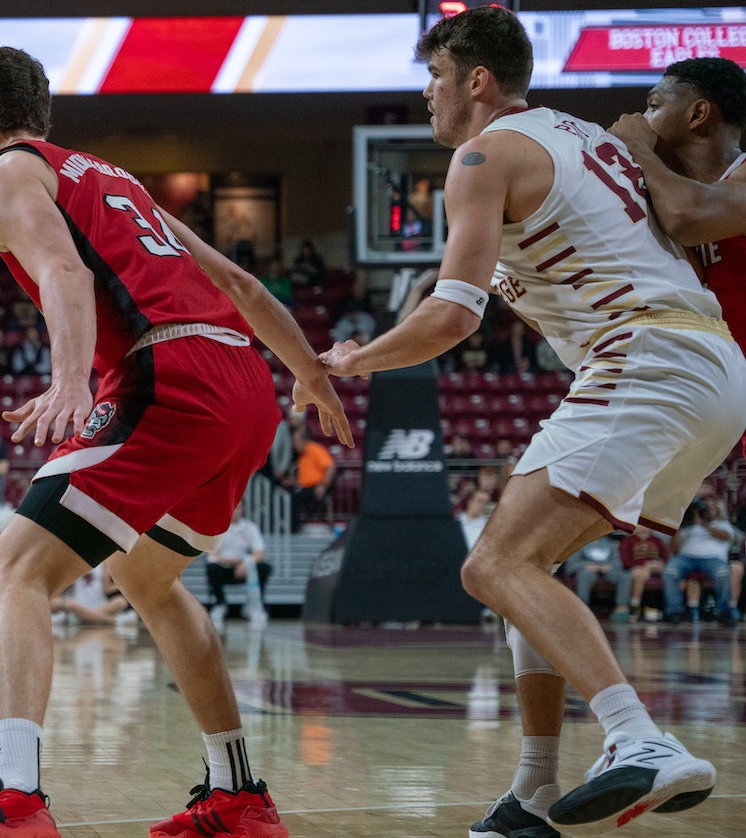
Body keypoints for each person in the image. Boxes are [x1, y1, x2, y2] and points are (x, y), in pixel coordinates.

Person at [0, 46, 349, 838]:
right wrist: (311, 374)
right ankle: (239, 795)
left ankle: (12, 796)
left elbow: (63, 269)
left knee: (10, 576)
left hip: (170, 375)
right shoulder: (112, 179)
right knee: (148, 578)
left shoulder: (2, 178)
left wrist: (70, 381)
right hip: (244, 386)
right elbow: (243, 286)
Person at [317, 9, 744, 834]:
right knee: (526, 570)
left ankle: (637, 740)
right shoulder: (579, 137)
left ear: (476, 81)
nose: (428, 97)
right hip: (710, 367)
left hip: (647, 355)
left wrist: (356, 360)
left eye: (435, 78)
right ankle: (534, 792)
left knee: (492, 567)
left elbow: (452, 317)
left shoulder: (485, 154)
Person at [608, 57, 746, 456]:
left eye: (653, 105)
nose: (639, 117)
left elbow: (690, 217)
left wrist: (637, 148)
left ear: (698, 114)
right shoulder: (664, 199)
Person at [663, 497, 738, 624]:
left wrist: (703, 524)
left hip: (713, 559)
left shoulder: (723, 524)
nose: (707, 510)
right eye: (705, 508)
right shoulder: (688, 527)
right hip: (686, 558)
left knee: (723, 573)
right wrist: (679, 526)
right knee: (670, 570)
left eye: (710, 508)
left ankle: (724, 612)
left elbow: (725, 537)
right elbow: (674, 550)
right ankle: (674, 611)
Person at [205, 503, 269, 626]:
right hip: (223, 567)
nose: (235, 511)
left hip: (243, 568)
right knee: (212, 567)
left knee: (263, 568)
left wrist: (246, 563)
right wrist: (234, 561)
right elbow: (211, 554)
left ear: (242, 509)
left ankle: (254, 605)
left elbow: (260, 553)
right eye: (233, 507)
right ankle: (220, 603)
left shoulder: (250, 527)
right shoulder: (218, 526)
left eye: (238, 507)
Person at [620, 525, 670, 622]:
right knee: (640, 574)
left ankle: (670, 609)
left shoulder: (657, 540)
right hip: (637, 569)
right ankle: (634, 608)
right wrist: (644, 565)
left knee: (671, 573)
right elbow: (625, 561)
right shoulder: (628, 540)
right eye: (640, 523)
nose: (643, 527)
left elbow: (666, 558)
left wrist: (654, 565)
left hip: (656, 567)